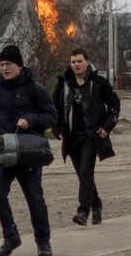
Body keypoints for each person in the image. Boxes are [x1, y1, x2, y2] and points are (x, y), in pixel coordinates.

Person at [0, 44, 58, 256]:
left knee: (34, 198)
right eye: (1, 65)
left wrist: (31, 119)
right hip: (3, 153)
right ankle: (11, 236)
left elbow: (52, 116)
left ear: (19, 65)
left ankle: (43, 241)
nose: (4, 69)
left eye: (8, 64)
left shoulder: (36, 89)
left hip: (29, 152)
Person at [52, 47, 121, 226]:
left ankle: (83, 211)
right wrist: (56, 129)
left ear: (87, 62)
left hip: (92, 136)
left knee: (85, 172)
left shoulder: (99, 82)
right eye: (73, 61)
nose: (76, 64)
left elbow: (114, 104)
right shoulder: (63, 84)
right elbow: (54, 109)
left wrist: (107, 126)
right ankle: (96, 204)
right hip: (71, 137)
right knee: (83, 176)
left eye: (79, 61)